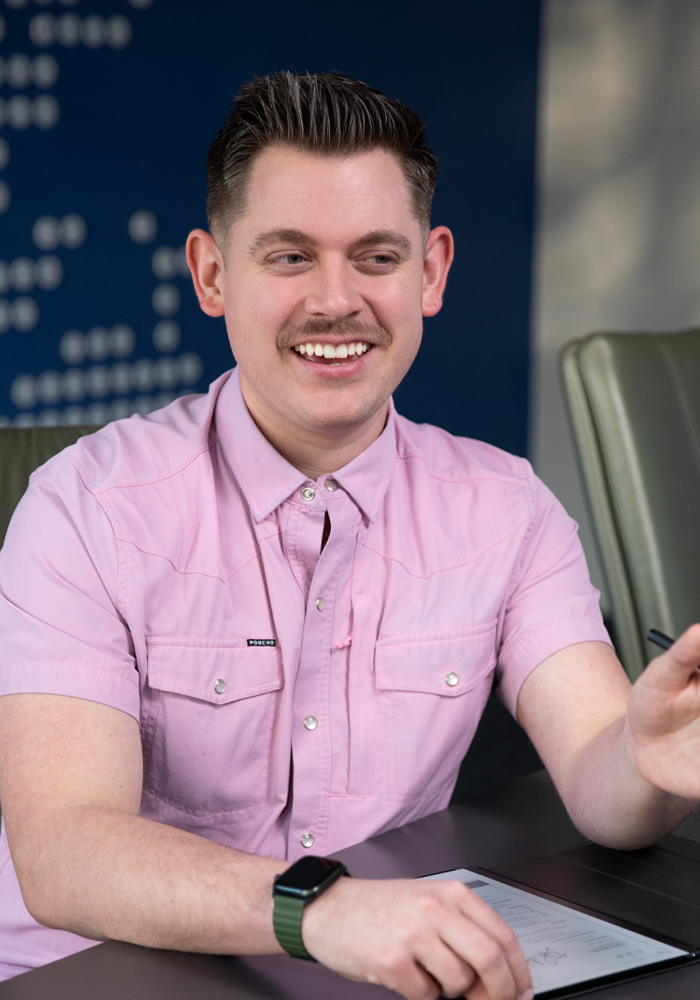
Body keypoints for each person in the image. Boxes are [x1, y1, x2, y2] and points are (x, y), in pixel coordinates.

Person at [0, 72, 698, 1000]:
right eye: (289, 257)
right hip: (98, 978)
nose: (337, 301)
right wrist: (319, 908)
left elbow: (601, 774)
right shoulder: (83, 506)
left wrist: (647, 760)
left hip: (366, 973)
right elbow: (65, 852)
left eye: (375, 257)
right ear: (213, 274)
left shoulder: (509, 509)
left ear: (431, 272)